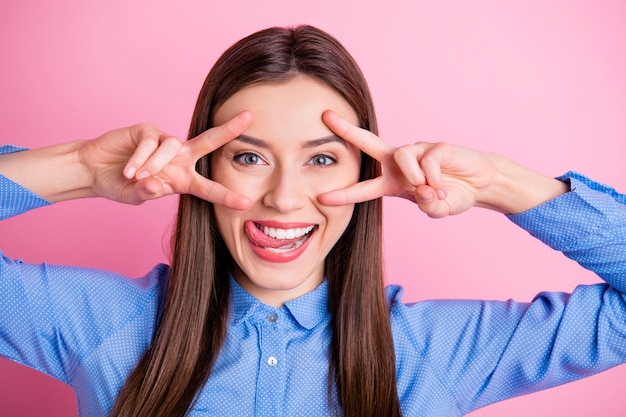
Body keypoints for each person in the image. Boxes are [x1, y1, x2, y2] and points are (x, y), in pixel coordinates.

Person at [0, 25, 624, 417]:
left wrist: (502, 185)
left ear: (363, 177)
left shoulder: (437, 354)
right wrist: (80, 167)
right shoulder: (97, 325)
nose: (285, 197)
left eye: (322, 159)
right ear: (205, 170)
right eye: (250, 158)